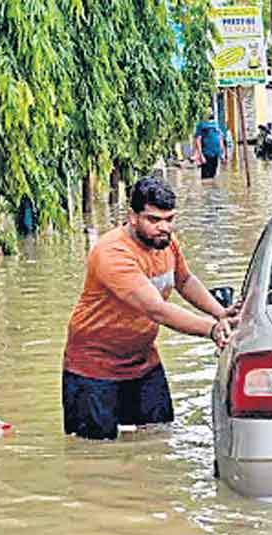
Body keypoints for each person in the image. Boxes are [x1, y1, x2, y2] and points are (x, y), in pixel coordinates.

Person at [62, 177, 233, 441]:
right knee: (94, 455)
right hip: (94, 368)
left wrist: (221, 313)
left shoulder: (167, 243)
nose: (164, 228)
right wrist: (212, 330)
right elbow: (157, 310)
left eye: (169, 219)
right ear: (133, 217)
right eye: (154, 220)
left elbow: (184, 280)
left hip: (142, 362)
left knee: (158, 438)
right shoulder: (113, 253)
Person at [192, 111, 227, 180]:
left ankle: (211, 190)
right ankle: (207, 190)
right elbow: (197, 140)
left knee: (213, 176)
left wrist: (222, 154)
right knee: (206, 178)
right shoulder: (201, 125)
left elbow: (221, 138)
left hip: (216, 153)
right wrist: (200, 155)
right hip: (206, 154)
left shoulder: (216, 125)